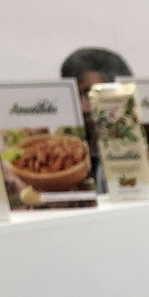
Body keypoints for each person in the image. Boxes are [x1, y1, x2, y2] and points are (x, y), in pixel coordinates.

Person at [60, 47, 132, 191]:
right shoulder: (65, 150)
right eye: (74, 96)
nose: (83, 108)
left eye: (91, 95)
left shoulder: (143, 144)